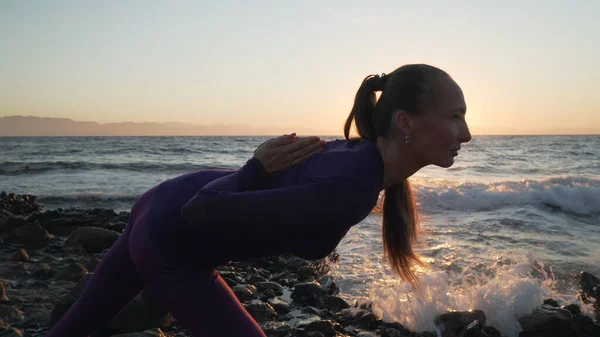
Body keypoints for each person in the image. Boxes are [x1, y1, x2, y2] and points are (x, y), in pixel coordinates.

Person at [46, 63, 471, 337]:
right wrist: (252, 169)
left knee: (73, 329)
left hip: (159, 204)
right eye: (455, 117)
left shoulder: (363, 162)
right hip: (171, 236)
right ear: (404, 123)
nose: (466, 133)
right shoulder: (352, 186)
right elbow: (201, 210)